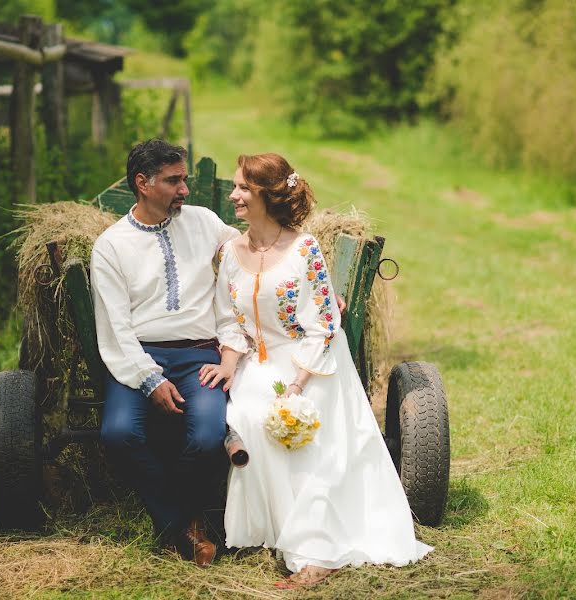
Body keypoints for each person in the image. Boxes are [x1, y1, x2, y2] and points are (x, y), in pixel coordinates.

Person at [199, 153, 433, 587]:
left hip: (311, 359)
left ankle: (315, 551)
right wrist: (230, 362)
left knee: (288, 423)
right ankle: (271, 529)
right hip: (257, 360)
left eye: (243, 189)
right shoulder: (230, 253)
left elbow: (325, 325)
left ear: (268, 197)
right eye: (234, 187)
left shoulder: (303, 249)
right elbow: (228, 319)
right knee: (247, 413)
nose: (233, 196)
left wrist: (296, 383)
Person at [90, 139, 240, 567]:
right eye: (174, 181)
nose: (184, 190)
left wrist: (309, 278)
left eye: (185, 179)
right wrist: (150, 379)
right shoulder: (112, 246)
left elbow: (250, 254)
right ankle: (182, 524)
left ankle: (180, 519)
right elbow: (116, 328)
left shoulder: (205, 222)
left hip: (200, 356)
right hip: (137, 357)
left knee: (209, 435)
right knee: (118, 434)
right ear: (143, 183)